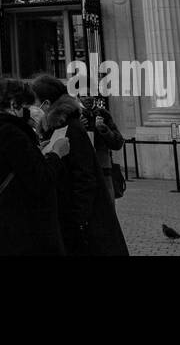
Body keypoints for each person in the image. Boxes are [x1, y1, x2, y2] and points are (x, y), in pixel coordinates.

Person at [31, 74, 128, 255]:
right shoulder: (55, 127)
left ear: (46, 103)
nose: (31, 107)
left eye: (33, 101)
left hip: (80, 219)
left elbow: (84, 176)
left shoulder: (70, 127)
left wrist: (78, 219)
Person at [0, 78, 67, 255]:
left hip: (1, 224)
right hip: (24, 227)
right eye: (26, 107)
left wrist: (36, 154)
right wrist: (56, 154)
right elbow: (40, 180)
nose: (29, 112)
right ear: (14, 105)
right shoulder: (11, 133)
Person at [90, 101, 125, 201]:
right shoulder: (74, 115)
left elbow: (118, 142)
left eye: (89, 94)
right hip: (83, 169)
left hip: (103, 168)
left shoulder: (103, 114)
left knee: (108, 205)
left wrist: (104, 130)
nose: (87, 97)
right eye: (83, 95)